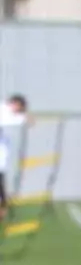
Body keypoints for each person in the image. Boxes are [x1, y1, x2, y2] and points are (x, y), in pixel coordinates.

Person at [0, 93, 28, 223]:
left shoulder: (6, 111)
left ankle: (3, 208)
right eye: (19, 108)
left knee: (1, 181)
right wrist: (24, 119)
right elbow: (11, 120)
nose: (18, 111)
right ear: (15, 103)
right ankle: (4, 208)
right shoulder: (4, 110)